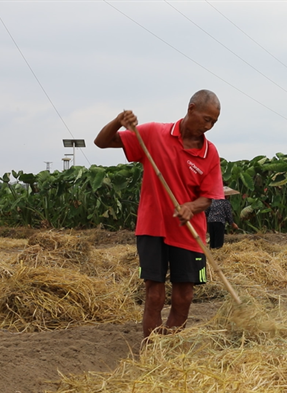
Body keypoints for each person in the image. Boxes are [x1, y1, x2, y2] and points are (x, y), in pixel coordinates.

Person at [94, 89, 224, 339]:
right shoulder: (154, 134)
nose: (208, 126)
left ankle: (170, 348)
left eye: (214, 122)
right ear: (191, 109)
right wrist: (118, 121)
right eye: (206, 119)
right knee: (154, 294)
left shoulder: (210, 153)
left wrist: (190, 207)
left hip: (189, 232)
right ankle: (152, 348)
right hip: (152, 227)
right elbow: (102, 142)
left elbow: (208, 197)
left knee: (183, 296)